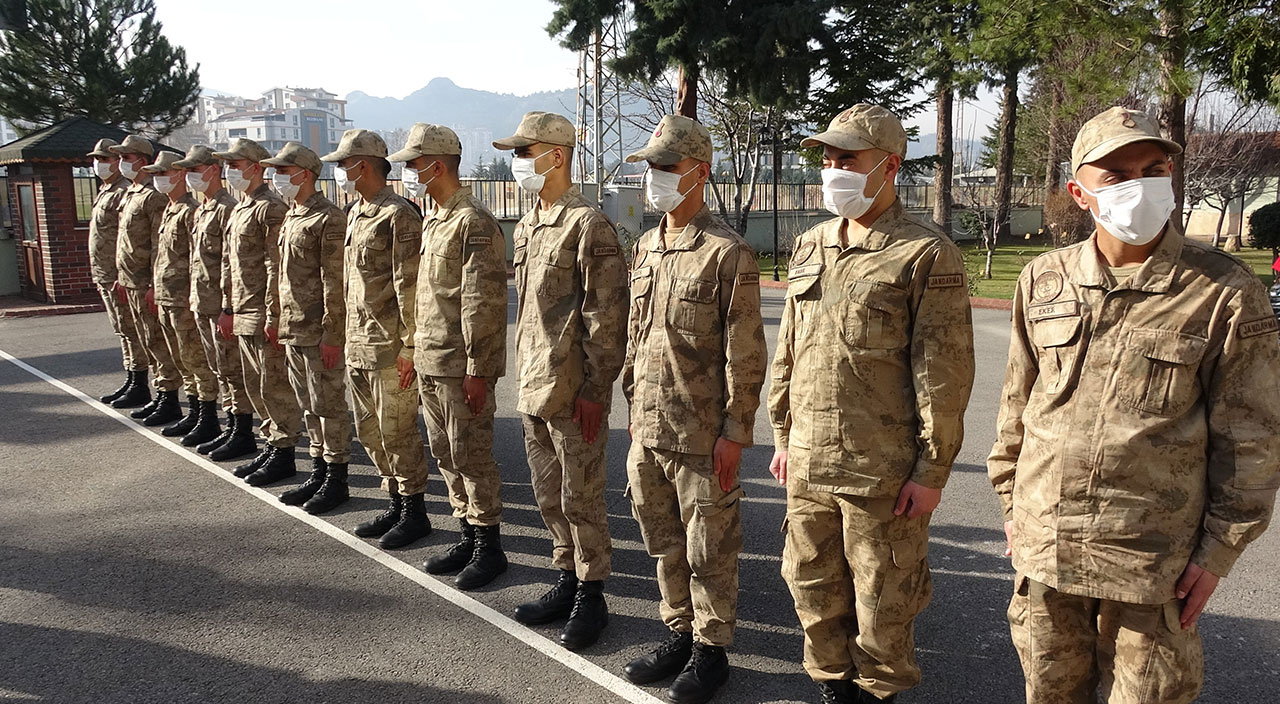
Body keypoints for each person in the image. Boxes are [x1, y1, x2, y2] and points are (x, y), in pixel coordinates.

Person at [987, 106, 1280, 704]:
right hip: (1049, 550)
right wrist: (1012, 505)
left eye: (1153, 169)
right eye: (1116, 176)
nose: (1140, 186)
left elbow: (1251, 438)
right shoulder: (1045, 279)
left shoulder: (1223, 290)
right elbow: (1018, 404)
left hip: (1151, 566)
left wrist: (1220, 552)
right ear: (1079, 193)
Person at [767, 104, 975, 704]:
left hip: (880, 470)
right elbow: (791, 350)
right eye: (827, 158)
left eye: (847, 159)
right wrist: (782, 435)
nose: (833, 169)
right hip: (808, 460)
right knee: (810, 587)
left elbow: (944, 371)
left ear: (889, 165)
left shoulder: (924, 254)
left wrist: (932, 471)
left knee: (883, 600)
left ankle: (877, 693)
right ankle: (832, 686)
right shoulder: (810, 244)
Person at [619, 115, 766, 703]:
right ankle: (678, 631)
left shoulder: (726, 254)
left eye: (665, 166)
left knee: (709, 549)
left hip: (702, 436)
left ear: (699, 172)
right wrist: (632, 401)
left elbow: (745, 353)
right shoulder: (648, 244)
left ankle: (711, 651)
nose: (653, 177)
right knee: (662, 541)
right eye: (649, 167)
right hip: (648, 428)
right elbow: (637, 333)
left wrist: (735, 432)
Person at [493, 111, 627, 650]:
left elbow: (606, 317)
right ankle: (566, 578)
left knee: (582, 496)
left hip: (573, 392)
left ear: (558, 155)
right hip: (534, 383)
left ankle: (592, 596)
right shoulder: (529, 224)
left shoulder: (588, 225)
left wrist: (597, 391)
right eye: (517, 152)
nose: (518, 161)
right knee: (549, 494)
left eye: (526, 152)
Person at [389, 124, 509, 588]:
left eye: (412, 163)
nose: (407, 171)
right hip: (431, 360)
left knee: (472, 454)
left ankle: (488, 545)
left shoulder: (473, 222)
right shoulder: (434, 218)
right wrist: (413, 349)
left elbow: (483, 303)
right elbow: (426, 297)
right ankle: (467, 530)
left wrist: (479, 371)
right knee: (445, 453)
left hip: (461, 368)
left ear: (436, 165)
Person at [321, 129, 432, 549]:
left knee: (397, 432)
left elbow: (410, 286)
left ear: (361, 165)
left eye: (341, 164)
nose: (338, 172)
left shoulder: (398, 215)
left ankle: (414, 509)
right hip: (359, 344)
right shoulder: (355, 213)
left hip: (389, 348)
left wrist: (409, 346)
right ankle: (395, 501)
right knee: (370, 432)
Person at [260, 142, 352, 514]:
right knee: (309, 406)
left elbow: (335, 281)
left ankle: (336, 477)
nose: (279, 178)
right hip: (293, 327)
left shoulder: (327, 218)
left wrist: (333, 333)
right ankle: (318, 470)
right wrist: (276, 316)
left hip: (318, 330)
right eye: (277, 172)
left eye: (285, 171)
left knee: (329, 406)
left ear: (307, 174)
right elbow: (279, 274)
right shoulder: (292, 215)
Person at [213, 138, 302, 485]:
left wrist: (273, 314)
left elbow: (275, 267)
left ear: (255, 166)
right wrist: (228, 307)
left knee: (274, 387)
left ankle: (283, 452)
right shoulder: (241, 207)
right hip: (243, 310)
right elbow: (229, 262)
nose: (230, 170)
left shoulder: (270, 208)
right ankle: (269, 444)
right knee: (256, 386)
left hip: (262, 312)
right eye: (228, 165)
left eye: (236, 164)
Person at [174, 145, 257, 460]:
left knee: (232, 371)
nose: (191, 175)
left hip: (220, 307)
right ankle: (225, 426)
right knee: (218, 369)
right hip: (202, 303)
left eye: (196, 169)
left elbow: (231, 265)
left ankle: (242, 432)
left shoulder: (225, 207)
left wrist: (228, 307)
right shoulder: (204, 207)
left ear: (212, 170)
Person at [140, 151, 220, 446]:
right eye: (156, 174)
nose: (159, 179)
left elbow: (198, 260)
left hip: (186, 298)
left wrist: (189, 296)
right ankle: (196, 412)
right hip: (168, 296)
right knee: (182, 358)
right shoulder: (172, 209)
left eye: (164, 173)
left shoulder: (189, 210)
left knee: (197, 360)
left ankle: (208, 417)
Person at [110, 135, 184, 427]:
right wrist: (123, 276)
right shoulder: (132, 192)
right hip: (131, 280)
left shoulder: (153, 197)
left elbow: (158, 244)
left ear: (142, 159)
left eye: (127, 158)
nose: (121, 163)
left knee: (159, 341)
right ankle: (157, 390)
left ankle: (168, 396)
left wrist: (154, 284)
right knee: (144, 339)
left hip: (147, 283)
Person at [87, 138, 149, 408]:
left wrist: (121, 274)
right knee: (122, 329)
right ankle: (131, 376)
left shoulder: (124, 190)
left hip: (120, 275)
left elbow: (130, 238)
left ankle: (139, 381)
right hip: (106, 272)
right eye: (97, 159)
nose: (100, 164)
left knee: (133, 329)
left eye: (106, 159)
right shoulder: (107, 189)